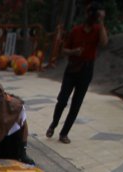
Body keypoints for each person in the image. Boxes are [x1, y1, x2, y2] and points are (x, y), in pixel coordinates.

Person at [46, 1, 108, 144]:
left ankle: (64, 133)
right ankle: (53, 124)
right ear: (87, 14)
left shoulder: (98, 30)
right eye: (93, 14)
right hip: (72, 68)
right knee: (62, 100)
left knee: (76, 104)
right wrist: (74, 51)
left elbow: (104, 43)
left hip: (86, 70)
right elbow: (63, 50)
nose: (93, 17)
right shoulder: (76, 30)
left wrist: (102, 22)